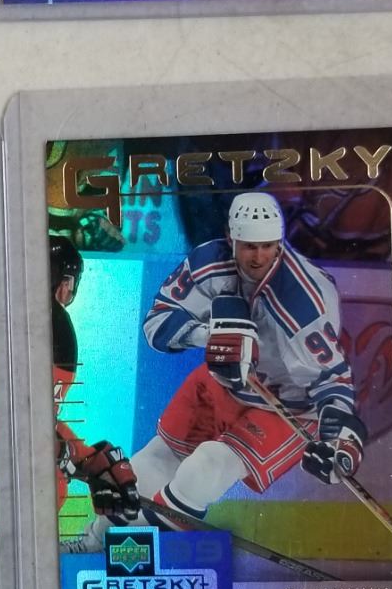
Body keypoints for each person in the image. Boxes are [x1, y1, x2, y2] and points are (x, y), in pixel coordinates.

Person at [70, 191, 366, 550]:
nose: (259, 257)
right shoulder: (208, 261)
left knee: (207, 467)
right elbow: (156, 324)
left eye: (269, 246)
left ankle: (146, 553)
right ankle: (92, 544)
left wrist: (341, 444)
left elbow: (333, 379)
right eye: (250, 247)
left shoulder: (303, 299)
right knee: (149, 465)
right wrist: (209, 335)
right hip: (223, 382)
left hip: (285, 405)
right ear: (231, 238)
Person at [49, 234, 140, 529]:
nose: (69, 291)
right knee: (52, 486)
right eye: (69, 282)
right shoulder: (54, 325)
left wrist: (86, 459)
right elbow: (28, 426)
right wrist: (73, 458)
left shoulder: (36, 319)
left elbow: (40, 421)